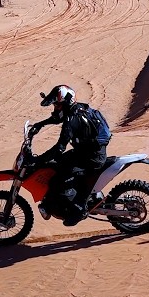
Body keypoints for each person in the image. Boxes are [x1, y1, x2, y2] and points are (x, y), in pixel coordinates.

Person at [30, 84, 113, 225]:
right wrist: (40, 124)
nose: (56, 108)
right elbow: (57, 118)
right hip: (86, 152)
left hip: (92, 157)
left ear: (66, 103)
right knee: (57, 165)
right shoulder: (77, 109)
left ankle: (79, 209)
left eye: (57, 105)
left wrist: (39, 160)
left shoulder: (72, 119)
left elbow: (60, 147)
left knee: (61, 178)